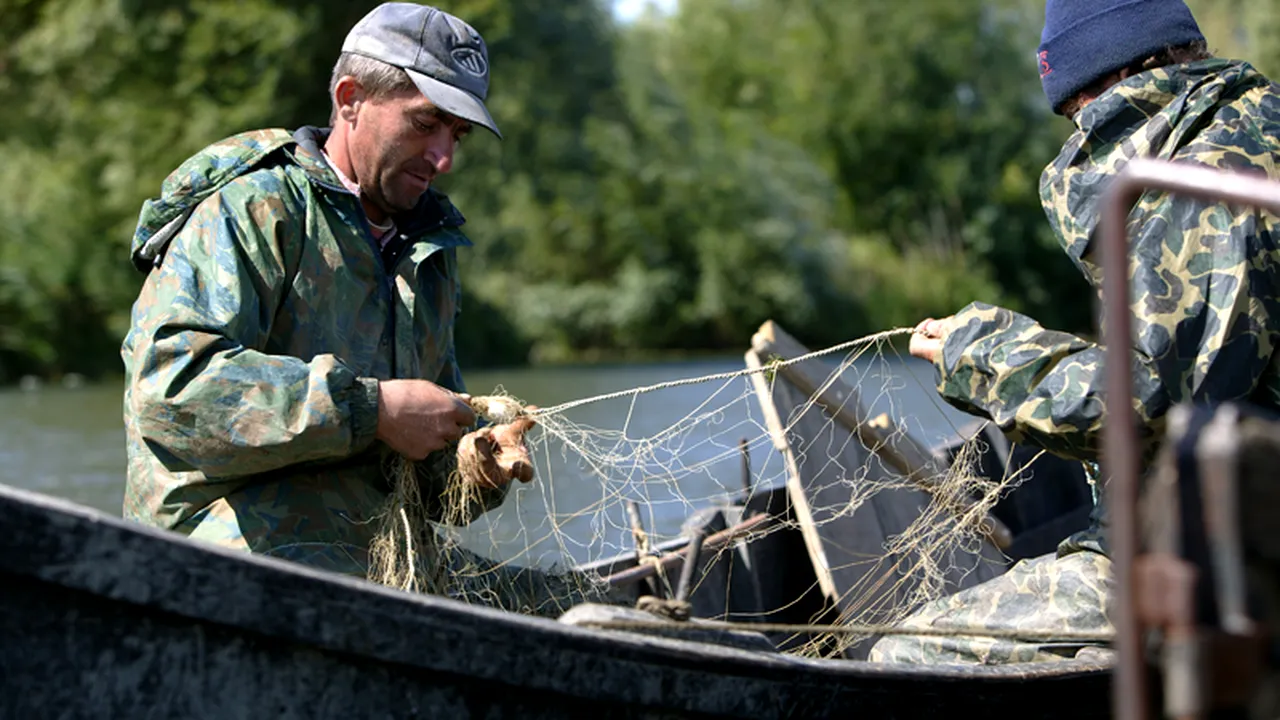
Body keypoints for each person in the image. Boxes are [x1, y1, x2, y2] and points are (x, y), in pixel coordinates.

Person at [120, 2, 617, 615]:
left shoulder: (428, 249)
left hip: (377, 554)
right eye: (425, 124)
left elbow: (427, 479)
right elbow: (170, 390)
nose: (444, 159)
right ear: (351, 98)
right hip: (226, 554)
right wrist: (372, 408)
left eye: (456, 135)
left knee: (581, 612)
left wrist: (472, 469)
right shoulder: (251, 209)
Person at [871, 0, 1280, 663]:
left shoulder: (1199, 187)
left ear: (1100, 85)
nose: (1079, 134)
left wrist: (977, 353)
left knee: (905, 655)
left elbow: (1144, 406)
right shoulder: (1260, 123)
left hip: (1228, 560)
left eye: (1075, 115)